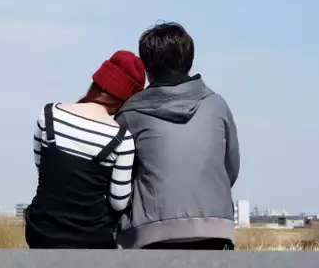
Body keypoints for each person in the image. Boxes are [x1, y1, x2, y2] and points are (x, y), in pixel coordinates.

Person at [114, 22, 240, 250]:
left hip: (150, 233)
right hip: (215, 228)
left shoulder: (130, 113)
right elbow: (231, 168)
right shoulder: (216, 105)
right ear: (190, 59)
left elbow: (118, 178)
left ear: (146, 65)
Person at [25, 50, 146, 249]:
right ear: (127, 98)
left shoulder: (48, 114)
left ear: (97, 82)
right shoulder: (121, 138)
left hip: (41, 230)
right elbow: (118, 202)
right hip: (92, 238)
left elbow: (43, 170)